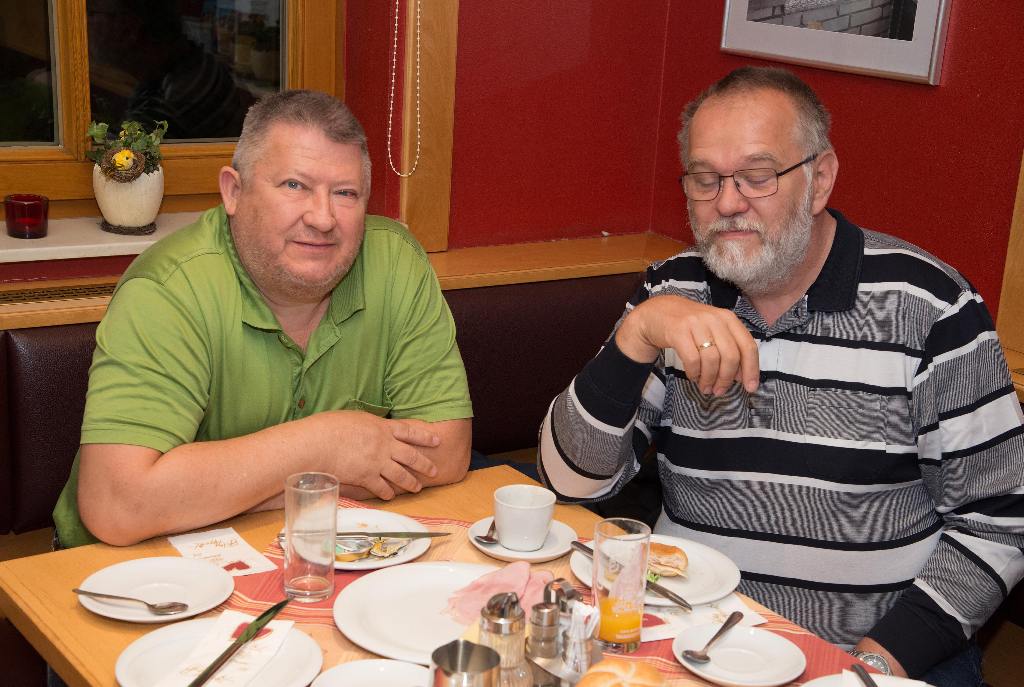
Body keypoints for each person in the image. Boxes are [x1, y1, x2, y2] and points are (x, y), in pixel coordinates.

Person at [539, 66, 1024, 686]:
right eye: (705, 179)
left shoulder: (928, 307)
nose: (727, 203)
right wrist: (635, 337)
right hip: (688, 645)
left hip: (871, 656)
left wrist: (869, 666)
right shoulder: (673, 289)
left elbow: (999, 521)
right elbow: (571, 480)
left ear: (819, 180)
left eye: (758, 176)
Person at [52, 90, 473, 549]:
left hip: (309, 553)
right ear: (233, 192)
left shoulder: (396, 263)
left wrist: (246, 492)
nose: (323, 218)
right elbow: (118, 506)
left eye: (345, 193)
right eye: (294, 185)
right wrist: (326, 444)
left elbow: (448, 452)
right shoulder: (168, 290)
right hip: (120, 568)